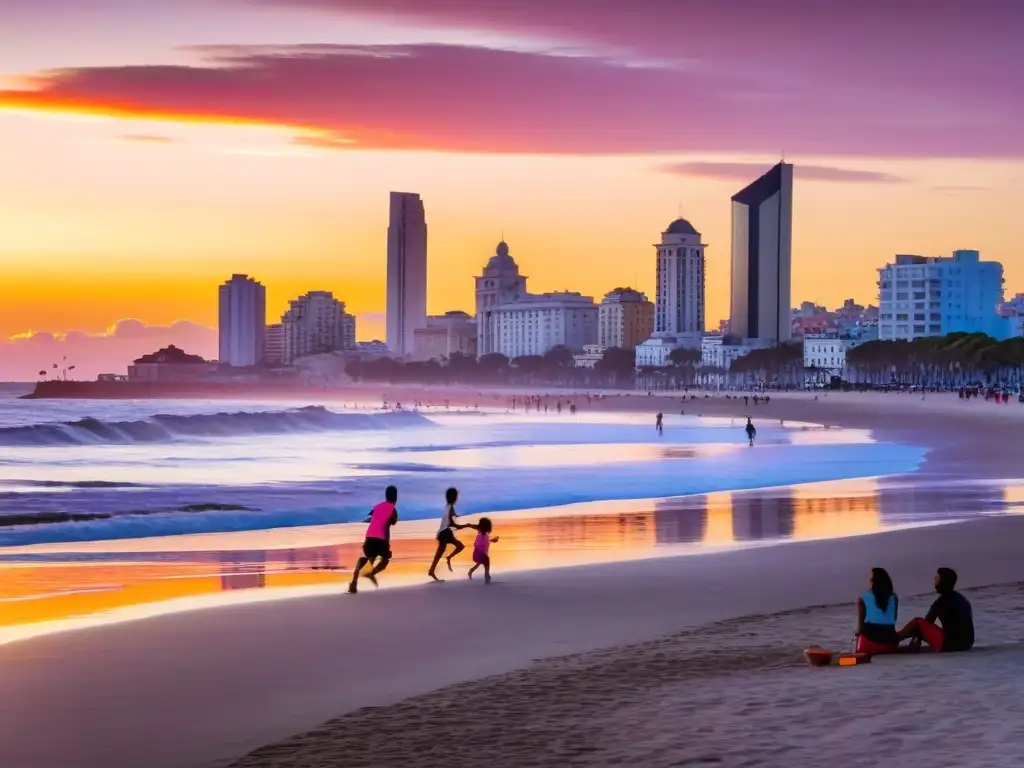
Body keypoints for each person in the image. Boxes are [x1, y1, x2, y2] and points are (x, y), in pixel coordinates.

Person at [896, 567, 974, 653]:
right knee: (924, 626)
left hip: (950, 645)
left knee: (917, 621)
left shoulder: (942, 601)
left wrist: (915, 639)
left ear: (942, 581)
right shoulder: (962, 599)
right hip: (967, 644)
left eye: (936, 578)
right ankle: (900, 640)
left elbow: (927, 622)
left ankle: (892, 640)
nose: (934, 580)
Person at [348, 485, 398, 594]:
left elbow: (372, 518)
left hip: (369, 537)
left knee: (367, 558)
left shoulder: (377, 506)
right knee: (385, 559)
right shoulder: (392, 509)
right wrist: (387, 545)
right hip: (381, 539)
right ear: (396, 498)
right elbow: (392, 522)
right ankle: (370, 574)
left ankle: (353, 583)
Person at [855, 567, 900, 655]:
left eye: (870, 579)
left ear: (874, 582)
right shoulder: (894, 597)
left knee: (863, 630)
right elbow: (893, 619)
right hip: (890, 644)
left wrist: (857, 634)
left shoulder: (863, 598)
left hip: (869, 643)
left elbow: (860, 626)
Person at [427, 487, 466, 581]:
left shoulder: (448, 505)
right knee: (460, 546)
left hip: (443, 532)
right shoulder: (450, 506)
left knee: (440, 553)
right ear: (454, 497)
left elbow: (451, 517)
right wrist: (464, 525)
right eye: (456, 496)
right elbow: (451, 522)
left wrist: (459, 519)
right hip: (445, 532)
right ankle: (447, 559)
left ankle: (432, 570)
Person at [466, 517, 499, 584]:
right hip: (479, 552)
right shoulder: (481, 534)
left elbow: (486, 541)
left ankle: (471, 571)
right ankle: (487, 576)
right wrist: (468, 525)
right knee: (486, 561)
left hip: (480, 553)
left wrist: (493, 540)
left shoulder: (484, 534)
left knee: (480, 563)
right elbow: (479, 542)